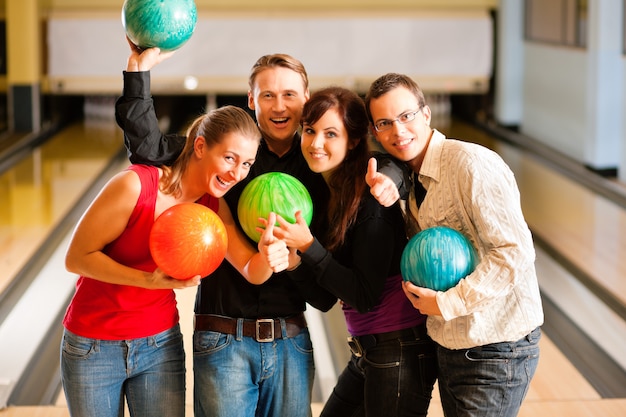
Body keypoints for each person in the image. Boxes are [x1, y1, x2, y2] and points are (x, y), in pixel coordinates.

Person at [115, 48, 338, 417]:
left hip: (291, 340)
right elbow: (148, 150)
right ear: (252, 99)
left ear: (307, 99)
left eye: (289, 95)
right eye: (268, 95)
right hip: (222, 338)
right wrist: (137, 74)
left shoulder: (321, 167)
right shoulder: (226, 151)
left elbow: (325, 295)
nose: (279, 105)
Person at [61, 88, 291, 417]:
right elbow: (76, 258)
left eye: (246, 164)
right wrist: (146, 280)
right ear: (200, 145)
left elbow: (251, 269)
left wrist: (269, 257)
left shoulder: (213, 206)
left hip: (159, 345)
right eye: (229, 158)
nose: (236, 173)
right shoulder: (135, 186)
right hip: (93, 344)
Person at [364, 73, 544, 417]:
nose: (398, 131)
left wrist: (449, 303)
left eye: (406, 116)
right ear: (375, 131)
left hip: (496, 346)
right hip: (449, 345)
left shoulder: (471, 164)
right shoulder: (406, 177)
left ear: (426, 114)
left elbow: (514, 251)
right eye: (385, 123)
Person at [270, 86, 438, 416]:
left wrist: (308, 246)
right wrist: (294, 263)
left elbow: (365, 296)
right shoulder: (325, 194)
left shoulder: (370, 199)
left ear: (355, 139)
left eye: (331, 133)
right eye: (310, 131)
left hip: (400, 347)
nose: (316, 143)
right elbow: (325, 298)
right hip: (369, 350)